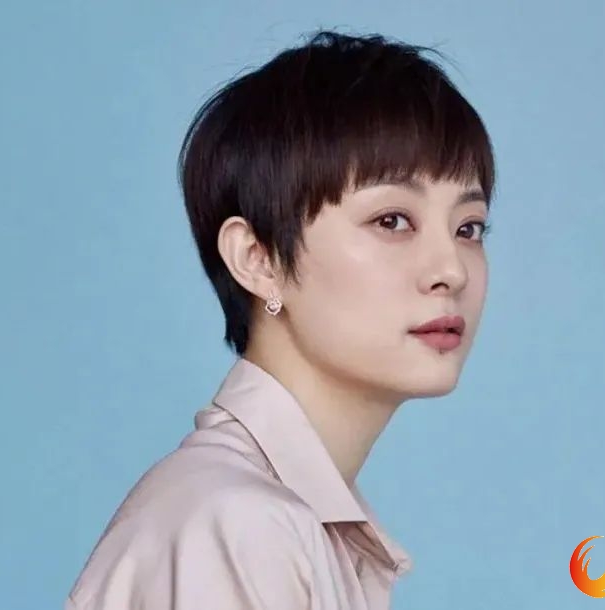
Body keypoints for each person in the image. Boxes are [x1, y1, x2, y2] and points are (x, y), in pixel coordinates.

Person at [65, 29, 496, 610]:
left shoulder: (297, 522)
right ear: (258, 259)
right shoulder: (237, 524)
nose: (451, 270)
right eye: (392, 220)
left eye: (469, 228)